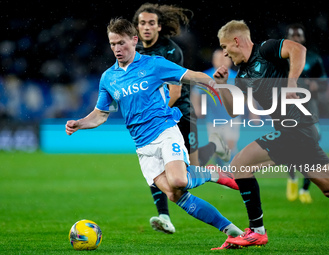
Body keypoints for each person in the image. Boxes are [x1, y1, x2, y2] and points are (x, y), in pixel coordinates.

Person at [65, 18, 242, 249]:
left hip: (165, 132)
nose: (117, 49)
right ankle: (232, 231)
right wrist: (79, 123)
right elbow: (100, 114)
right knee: (174, 194)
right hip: (142, 146)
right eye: (112, 44)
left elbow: (192, 76)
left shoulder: (154, 64)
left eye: (121, 43)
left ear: (134, 40)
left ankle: (210, 173)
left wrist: (215, 82)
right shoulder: (109, 78)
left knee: (179, 180)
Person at [211, 20, 329, 249]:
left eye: (224, 46)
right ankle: (256, 231)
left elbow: (298, 49)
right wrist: (222, 85)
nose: (224, 53)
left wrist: (291, 84)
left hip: (299, 127)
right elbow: (234, 111)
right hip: (291, 132)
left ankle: (257, 231)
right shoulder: (242, 75)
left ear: (236, 41)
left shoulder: (266, 49)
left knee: (241, 164)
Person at [132, 3, 230, 234]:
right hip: (157, 120)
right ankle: (164, 216)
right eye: (142, 23)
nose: (147, 27)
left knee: (190, 170)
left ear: (159, 27)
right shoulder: (135, 52)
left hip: (180, 114)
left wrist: (150, 116)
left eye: (151, 23)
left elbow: (175, 92)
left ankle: (213, 148)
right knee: (154, 165)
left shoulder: (171, 51)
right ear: (136, 27)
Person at [285, 23, 328, 204]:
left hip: (310, 109)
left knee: (311, 148)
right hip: (287, 110)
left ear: (303, 38)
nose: (296, 39)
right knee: (288, 148)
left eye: (298, 36)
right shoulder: (281, 59)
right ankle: (293, 178)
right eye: (292, 36)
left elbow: (325, 82)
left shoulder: (313, 58)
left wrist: (317, 85)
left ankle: (304, 189)